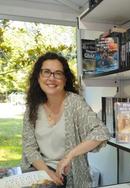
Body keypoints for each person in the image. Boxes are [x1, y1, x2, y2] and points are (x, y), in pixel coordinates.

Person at [21, 52, 110, 187]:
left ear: (65, 79)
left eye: (58, 73)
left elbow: (101, 132)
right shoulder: (32, 106)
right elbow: (29, 147)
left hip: (70, 173)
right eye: (46, 72)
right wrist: (47, 173)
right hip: (40, 170)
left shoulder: (75, 103)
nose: (52, 78)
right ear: (38, 77)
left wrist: (69, 156)